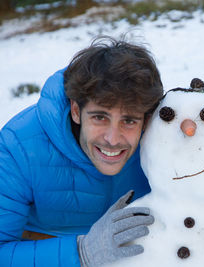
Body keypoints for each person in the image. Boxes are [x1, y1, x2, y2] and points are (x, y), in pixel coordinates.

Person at [0, 36, 163, 266]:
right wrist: (81, 252)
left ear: (146, 120)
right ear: (76, 110)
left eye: (129, 121)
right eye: (99, 117)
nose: (112, 139)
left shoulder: (162, 141)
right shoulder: (18, 147)